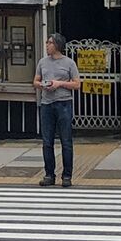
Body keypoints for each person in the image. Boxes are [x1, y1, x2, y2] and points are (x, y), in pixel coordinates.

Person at [33, 33, 81, 188]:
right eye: (47, 42)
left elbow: (77, 84)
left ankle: (67, 176)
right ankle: (49, 175)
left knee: (66, 141)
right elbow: (35, 81)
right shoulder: (42, 62)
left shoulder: (69, 63)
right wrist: (42, 85)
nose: (47, 45)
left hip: (64, 103)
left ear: (58, 45)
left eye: (50, 43)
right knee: (47, 141)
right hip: (46, 104)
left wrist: (59, 84)